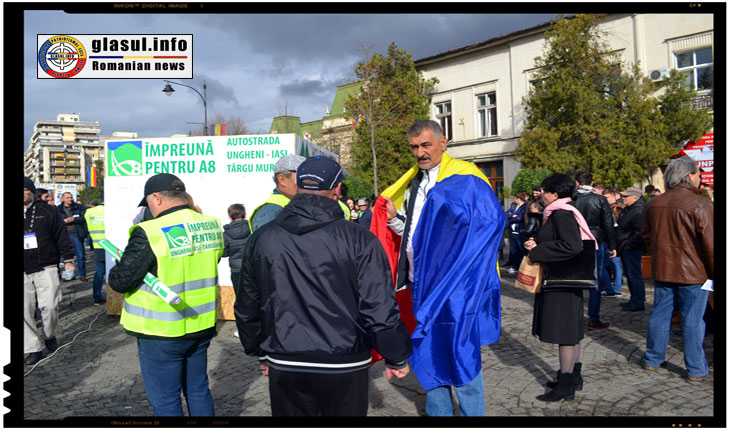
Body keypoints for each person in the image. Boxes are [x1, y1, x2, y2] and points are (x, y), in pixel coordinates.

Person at [235, 156, 412, 416]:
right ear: (337, 189)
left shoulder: (263, 238)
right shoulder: (359, 239)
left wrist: (258, 349)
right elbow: (379, 305)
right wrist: (395, 354)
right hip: (343, 361)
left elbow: (247, 302)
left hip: (287, 358)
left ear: (298, 186)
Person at [377, 120, 504, 416]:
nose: (420, 153)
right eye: (414, 147)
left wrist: (467, 271)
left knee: (461, 353)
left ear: (443, 143)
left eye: (426, 145)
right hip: (421, 282)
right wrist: (397, 221)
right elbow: (418, 234)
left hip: (457, 286)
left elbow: (490, 224)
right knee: (428, 352)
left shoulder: (467, 176)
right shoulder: (414, 182)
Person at [108, 173, 224, 416]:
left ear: (157, 198)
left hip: (161, 332)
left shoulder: (149, 231)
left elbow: (120, 281)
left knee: (166, 400)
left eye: (148, 202)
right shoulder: (211, 223)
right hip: (200, 325)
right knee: (198, 390)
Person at [523, 173, 597, 402]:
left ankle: (566, 384)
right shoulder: (563, 211)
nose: (540, 195)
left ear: (555, 194)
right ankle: (572, 377)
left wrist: (537, 250)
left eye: (544, 191)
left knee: (566, 333)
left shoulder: (561, 213)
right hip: (566, 279)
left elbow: (571, 245)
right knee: (571, 332)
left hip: (562, 281)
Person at [640, 157, 713, 381]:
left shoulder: (654, 203)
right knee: (693, 320)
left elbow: (646, 236)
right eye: (698, 174)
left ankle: (653, 358)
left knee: (660, 315)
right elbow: (711, 244)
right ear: (689, 175)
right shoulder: (700, 204)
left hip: (664, 269)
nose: (700, 178)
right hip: (693, 272)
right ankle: (696, 369)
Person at [24, 177, 76, 365]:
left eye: (24, 190)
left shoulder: (48, 211)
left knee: (50, 305)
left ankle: (49, 335)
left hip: (46, 265)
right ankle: (32, 348)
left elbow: (62, 236)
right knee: (25, 310)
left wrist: (69, 260)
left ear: (31, 191)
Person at [573, 171, 616, 330]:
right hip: (596, 240)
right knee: (595, 281)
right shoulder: (599, 199)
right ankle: (593, 318)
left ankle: (574, 317)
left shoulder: (572, 199)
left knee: (574, 279)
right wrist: (612, 245)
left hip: (575, 241)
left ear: (577, 183)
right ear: (591, 183)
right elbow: (608, 224)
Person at [248, 155, 306, 233]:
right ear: (282, 180)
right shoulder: (272, 211)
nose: (307, 183)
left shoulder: (291, 206)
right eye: (302, 178)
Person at [616, 187, 647, 312]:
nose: (623, 198)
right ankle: (634, 299)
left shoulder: (638, 210)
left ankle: (638, 301)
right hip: (626, 245)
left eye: (626, 196)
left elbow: (639, 232)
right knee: (630, 274)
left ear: (635, 197)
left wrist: (629, 244)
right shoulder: (631, 209)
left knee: (634, 275)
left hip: (631, 246)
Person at [56, 192, 88, 281]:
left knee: (80, 255)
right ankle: (70, 275)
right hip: (64, 234)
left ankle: (82, 275)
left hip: (76, 233)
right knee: (67, 257)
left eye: (71, 197)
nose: (70, 199)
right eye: (67, 198)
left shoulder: (79, 207)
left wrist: (74, 219)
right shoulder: (58, 209)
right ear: (63, 199)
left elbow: (85, 218)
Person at [222, 203, 251, 295]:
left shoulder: (226, 234)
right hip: (251, 267)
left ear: (230, 218)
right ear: (245, 215)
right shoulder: (252, 228)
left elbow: (224, 253)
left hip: (236, 269)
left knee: (240, 296)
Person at [84, 201, 107, 305]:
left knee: (99, 272)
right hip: (113, 246)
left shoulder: (89, 212)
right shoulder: (110, 211)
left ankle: (97, 297)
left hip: (98, 245)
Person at [602, 189, 624, 296]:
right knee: (610, 265)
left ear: (614, 197)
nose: (605, 200)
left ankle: (617, 288)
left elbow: (614, 228)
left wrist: (612, 244)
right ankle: (613, 287)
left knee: (615, 265)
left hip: (614, 242)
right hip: (610, 241)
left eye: (607, 198)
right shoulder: (611, 209)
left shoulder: (615, 209)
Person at [505, 191, 529, 274]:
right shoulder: (514, 207)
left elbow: (520, 218)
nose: (514, 200)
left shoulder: (525, 207)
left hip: (520, 232)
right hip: (512, 232)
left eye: (515, 198)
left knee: (521, 251)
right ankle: (514, 266)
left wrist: (511, 218)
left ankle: (522, 268)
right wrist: (512, 215)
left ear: (518, 198)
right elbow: (506, 214)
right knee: (514, 251)